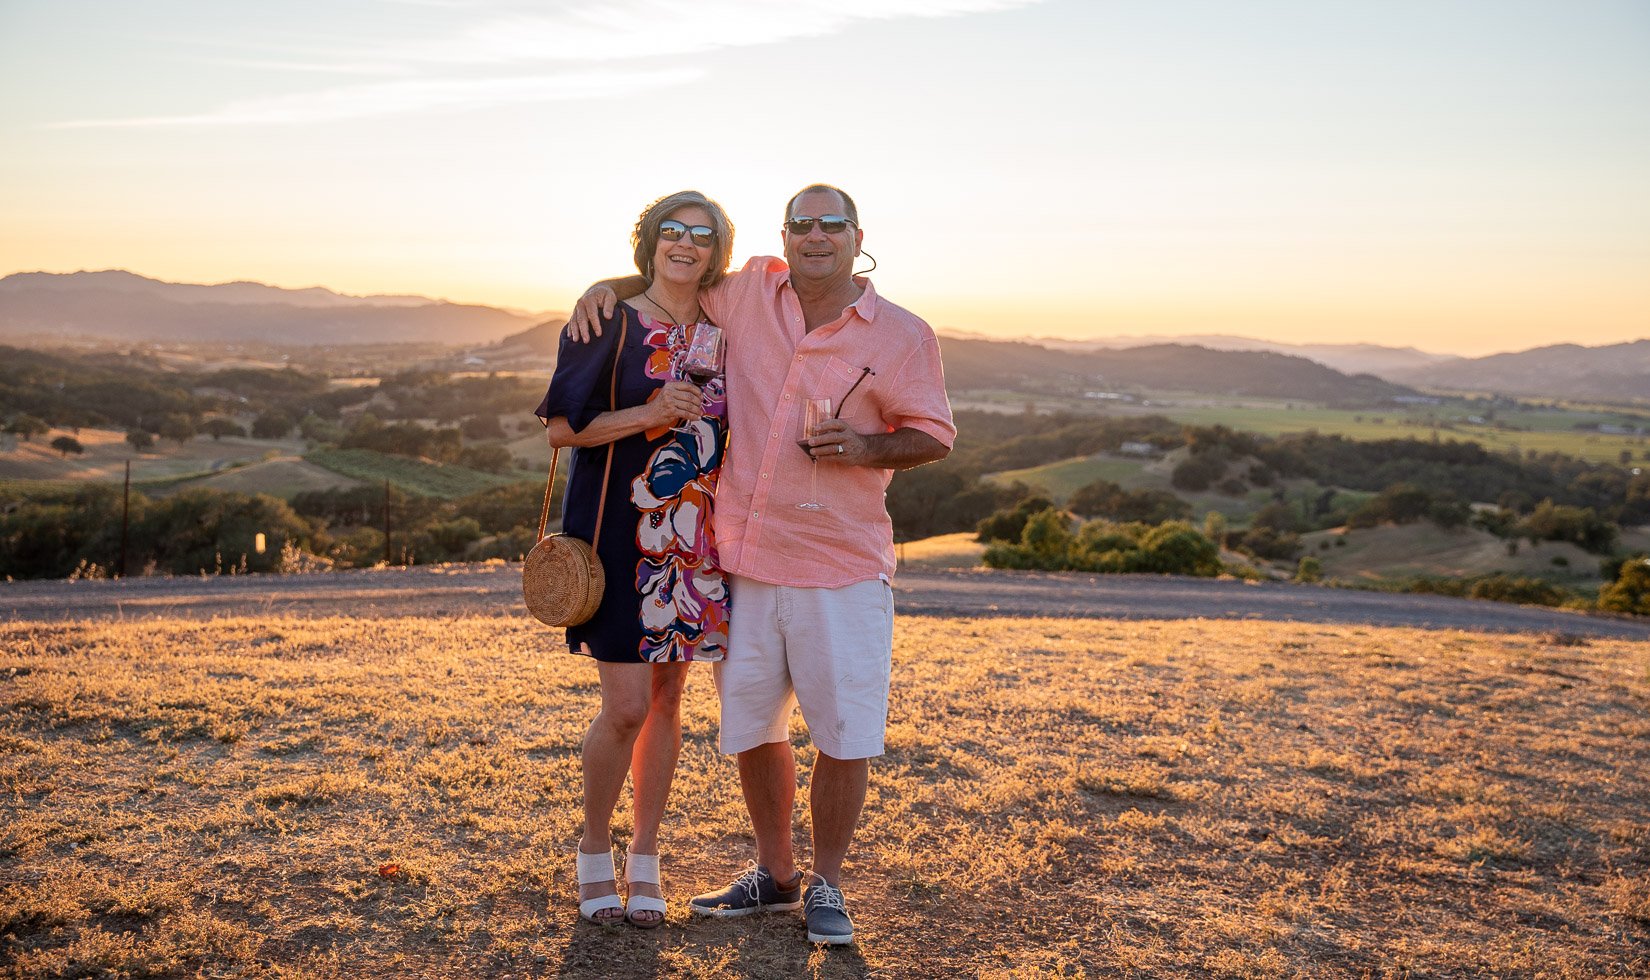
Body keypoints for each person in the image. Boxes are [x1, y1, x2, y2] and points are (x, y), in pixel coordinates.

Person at [567, 183, 955, 946]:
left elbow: (935, 435)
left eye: (831, 224)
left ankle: (828, 884)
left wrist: (869, 448)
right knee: (754, 729)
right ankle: (775, 875)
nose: (816, 235)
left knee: (842, 734)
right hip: (740, 560)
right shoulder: (751, 293)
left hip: (841, 565)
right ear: (786, 235)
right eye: (801, 224)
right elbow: (674, 274)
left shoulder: (903, 334)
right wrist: (602, 286)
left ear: (856, 235)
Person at [535, 189, 734, 928]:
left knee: (667, 703)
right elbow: (561, 430)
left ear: (718, 251)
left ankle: (646, 856)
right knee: (623, 707)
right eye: (672, 232)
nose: (686, 245)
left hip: (695, 538)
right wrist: (648, 415)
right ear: (649, 240)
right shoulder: (605, 321)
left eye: (702, 236)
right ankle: (594, 849)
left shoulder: (725, 323)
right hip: (621, 538)